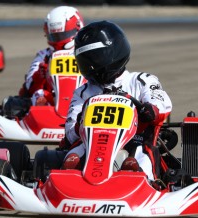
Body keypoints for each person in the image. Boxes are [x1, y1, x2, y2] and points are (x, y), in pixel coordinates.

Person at [60, 21, 172, 182]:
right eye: (86, 62)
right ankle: (69, 179)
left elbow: (162, 103)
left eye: (96, 59)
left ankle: (139, 177)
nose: (92, 66)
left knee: (142, 154)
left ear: (114, 52)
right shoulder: (83, 92)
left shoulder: (140, 80)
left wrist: (151, 110)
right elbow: (70, 134)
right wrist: (79, 124)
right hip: (92, 144)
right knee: (74, 152)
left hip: (135, 140)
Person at [18, 6, 84, 106]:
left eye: (63, 35)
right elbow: (27, 88)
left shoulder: (87, 52)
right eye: (55, 36)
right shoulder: (44, 56)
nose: (59, 40)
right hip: (53, 99)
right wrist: (39, 76)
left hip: (83, 94)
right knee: (38, 95)